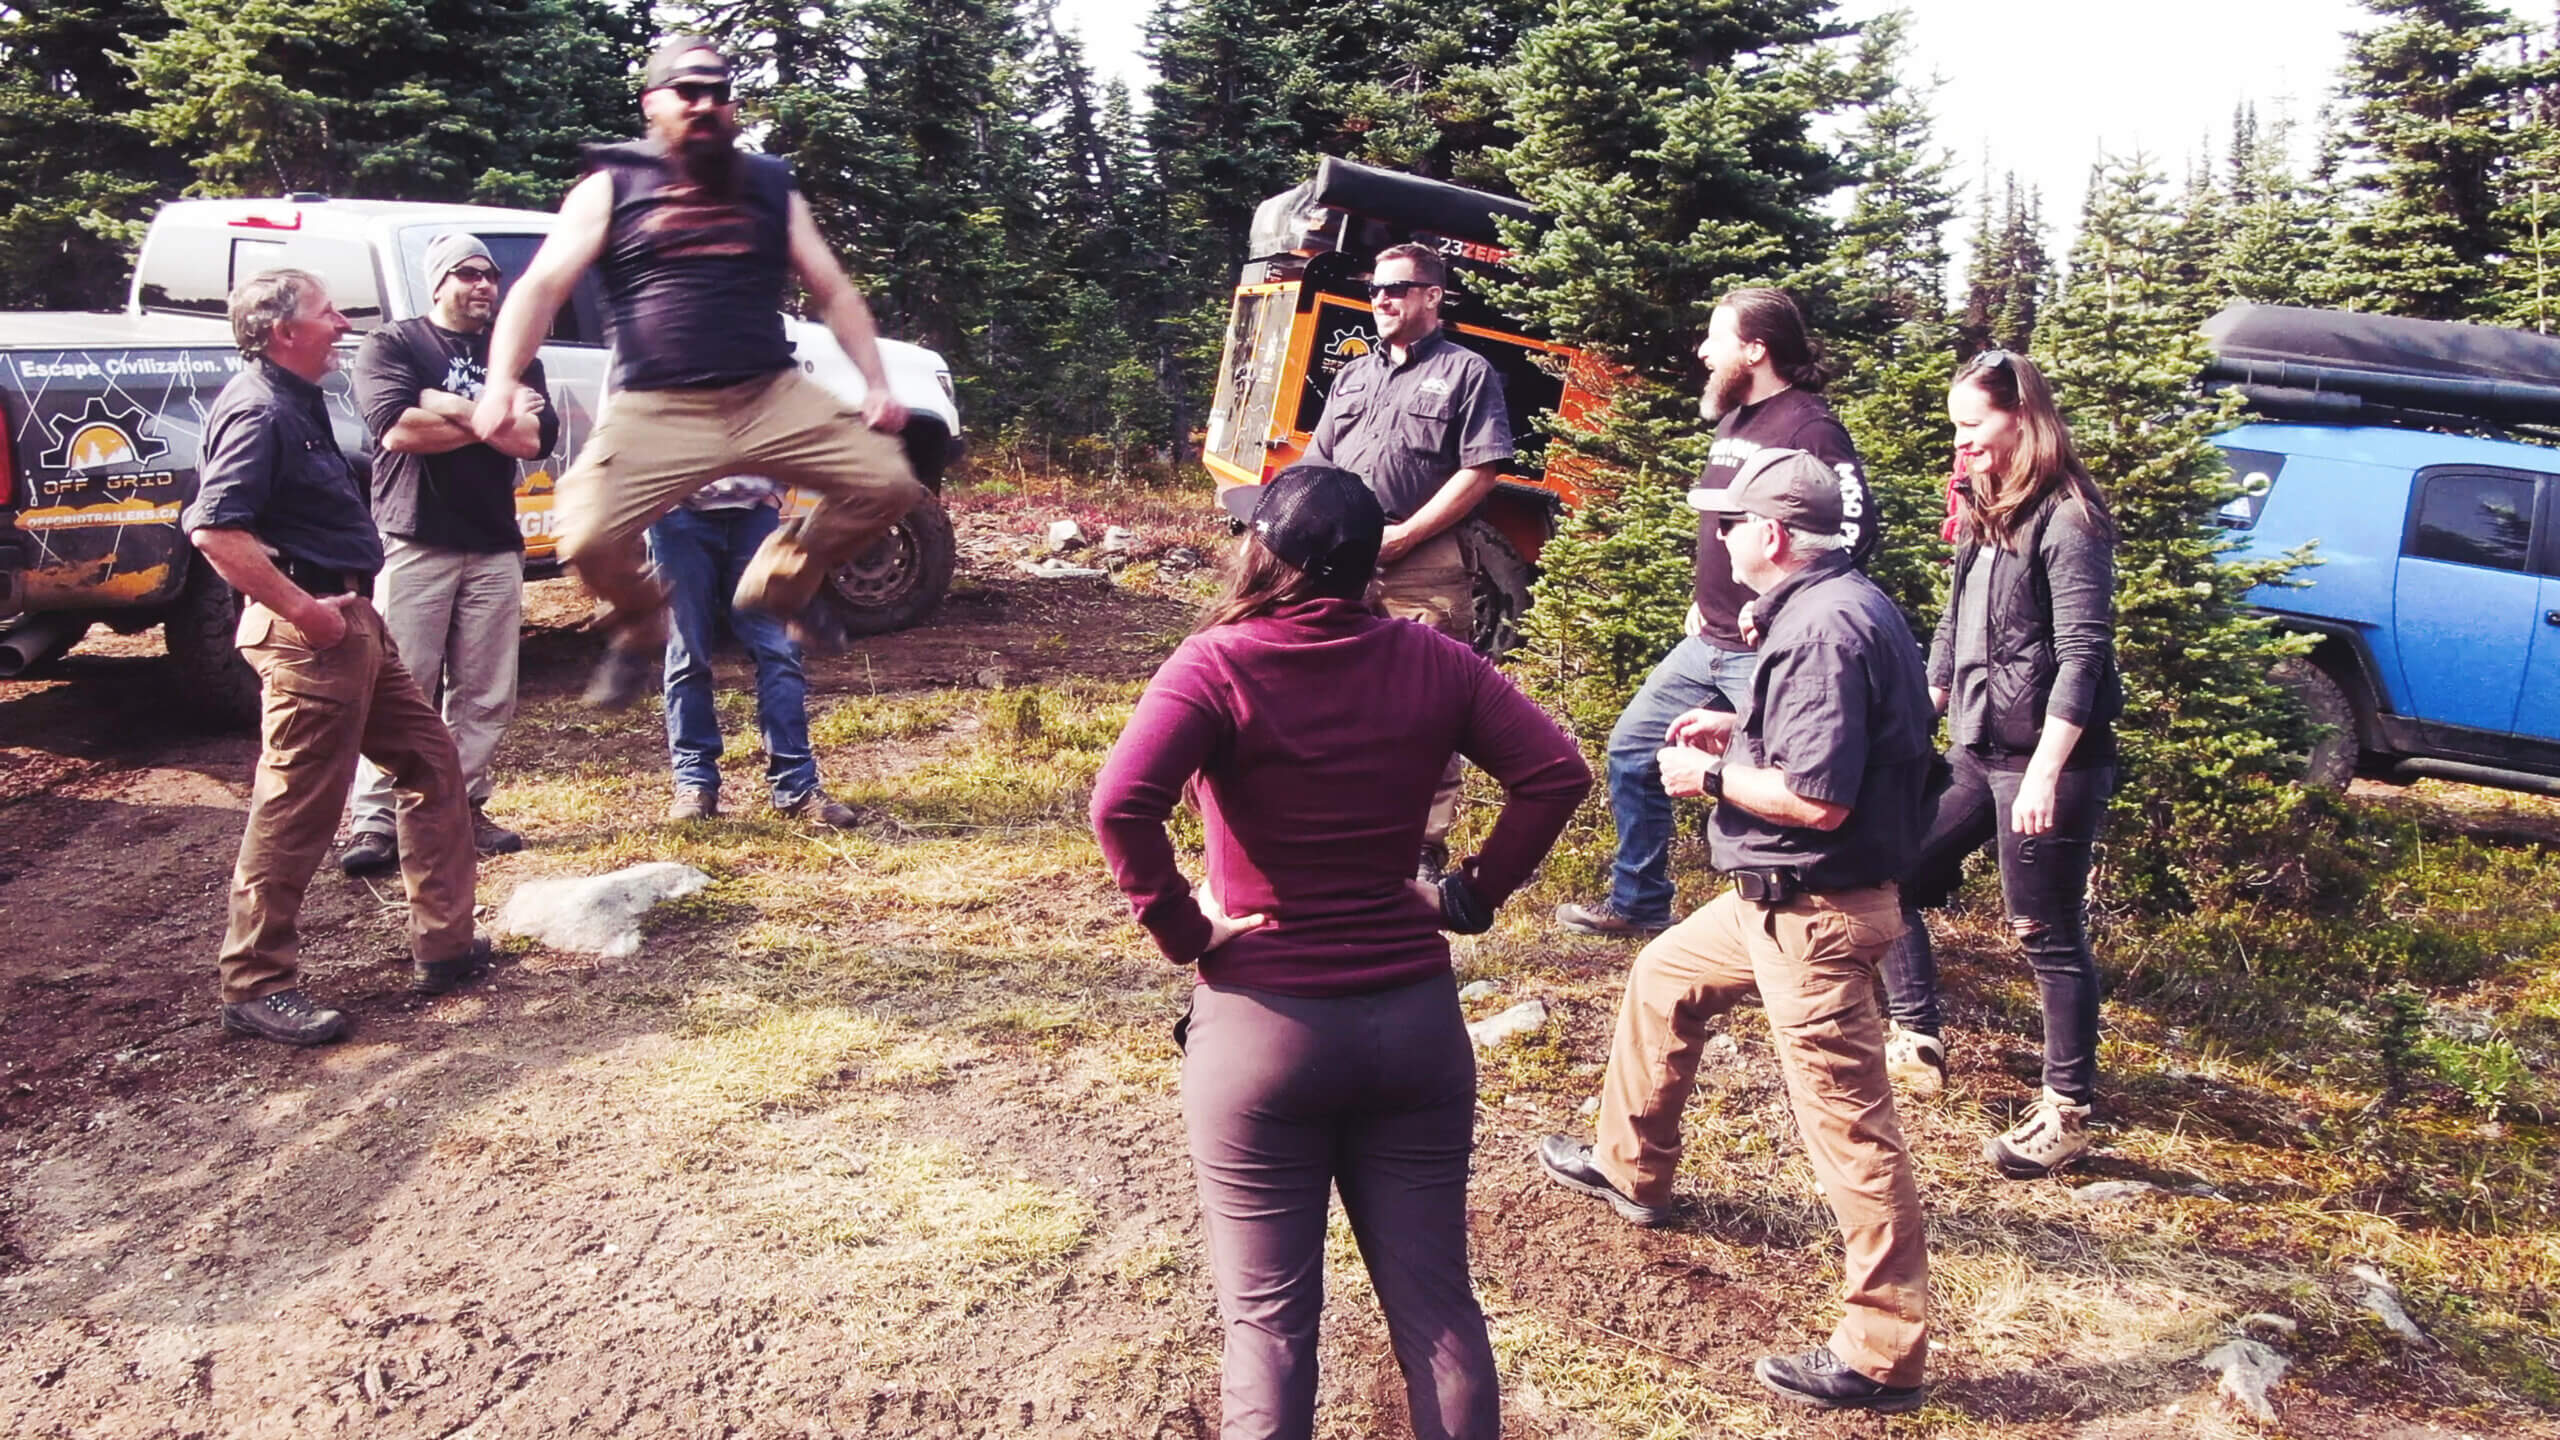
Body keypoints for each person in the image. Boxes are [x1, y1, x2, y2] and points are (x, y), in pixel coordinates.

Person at [1092, 464, 1588, 1440]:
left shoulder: (1217, 663)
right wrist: (1468, 895)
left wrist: (1185, 930)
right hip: (1413, 1027)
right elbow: (1555, 773)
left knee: (1269, 1327)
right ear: (1370, 563)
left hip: (1262, 1030)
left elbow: (1119, 806)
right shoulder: (1433, 659)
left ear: (1264, 553)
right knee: (1438, 1310)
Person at [1535, 447, 1936, 1414]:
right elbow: (1827, 744)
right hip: (1772, 898)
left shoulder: (1824, 627)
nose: (1718, 540)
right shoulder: (1832, 603)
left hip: (1815, 913)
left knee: (1849, 1128)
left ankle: (1883, 1354)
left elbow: (1821, 800)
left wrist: (1710, 776)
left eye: (1730, 524)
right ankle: (1630, 1168)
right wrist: (1736, 730)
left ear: (1773, 535)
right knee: (1663, 976)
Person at [469, 35, 926, 710]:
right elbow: (540, 287)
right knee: (587, 535)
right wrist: (501, 381)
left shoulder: (769, 185)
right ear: (653, 103)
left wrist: (877, 382)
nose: (705, 104)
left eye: (719, 93)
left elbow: (831, 288)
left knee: (887, 483)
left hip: (769, 395)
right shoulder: (611, 186)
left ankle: (780, 585)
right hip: (658, 407)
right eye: (688, 92)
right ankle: (641, 618)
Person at [181, 270, 488, 1047]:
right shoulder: (259, 408)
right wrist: (308, 613)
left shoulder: (299, 397)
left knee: (432, 762)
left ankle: (446, 946)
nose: (345, 323)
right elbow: (216, 531)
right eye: (328, 313)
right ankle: (256, 985)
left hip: (353, 622)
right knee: (296, 811)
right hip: (314, 633)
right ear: (284, 332)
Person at [1555, 287, 1875, 938]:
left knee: (1788, 782)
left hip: (1768, 646)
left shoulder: (1810, 428)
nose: (1703, 351)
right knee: (1633, 749)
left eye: (1716, 338)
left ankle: (1795, 926)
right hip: (1709, 639)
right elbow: (1727, 528)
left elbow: (1853, 531)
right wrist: (1699, 600)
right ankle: (1641, 902)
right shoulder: (1735, 422)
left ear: (1755, 350)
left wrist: (1779, 606)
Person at [1877, 349, 2121, 1179]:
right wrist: (1919, 716)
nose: (1962, 441)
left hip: (2049, 760)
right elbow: (1954, 629)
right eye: (1956, 427)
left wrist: (2047, 772)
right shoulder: (1986, 503)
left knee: (2044, 931)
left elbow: (2083, 655)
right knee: (1892, 872)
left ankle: (2067, 1113)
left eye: (1973, 424)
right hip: (1976, 749)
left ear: (2023, 416)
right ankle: (1916, 1039)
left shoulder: (2071, 517)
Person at [338, 233, 559, 877]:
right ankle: (377, 819)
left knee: (485, 690)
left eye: (490, 274)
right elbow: (399, 430)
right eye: (467, 273)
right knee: (400, 683)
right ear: (437, 282)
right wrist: (491, 414)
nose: (484, 284)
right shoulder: (394, 344)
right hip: (415, 537)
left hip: (493, 542)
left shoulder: (514, 353)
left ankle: (458, 807)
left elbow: (532, 441)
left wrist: (443, 403)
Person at [1297, 242, 1515, 879]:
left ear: (1432, 296)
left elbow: (1481, 470)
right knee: (1330, 691)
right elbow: (1318, 461)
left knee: (1426, 703)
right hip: (1344, 561)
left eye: (1396, 288)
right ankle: (1333, 825)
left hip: (1425, 561)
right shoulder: (1353, 376)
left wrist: (1407, 535)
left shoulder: (1468, 372)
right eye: (1374, 290)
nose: (1381, 300)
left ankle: (1420, 848)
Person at [649, 474, 863, 825]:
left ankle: (797, 786)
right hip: (676, 517)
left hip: (754, 516)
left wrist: (775, 493)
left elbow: (786, 436)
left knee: (779, 650)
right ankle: (694, 783)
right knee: (688, 653)